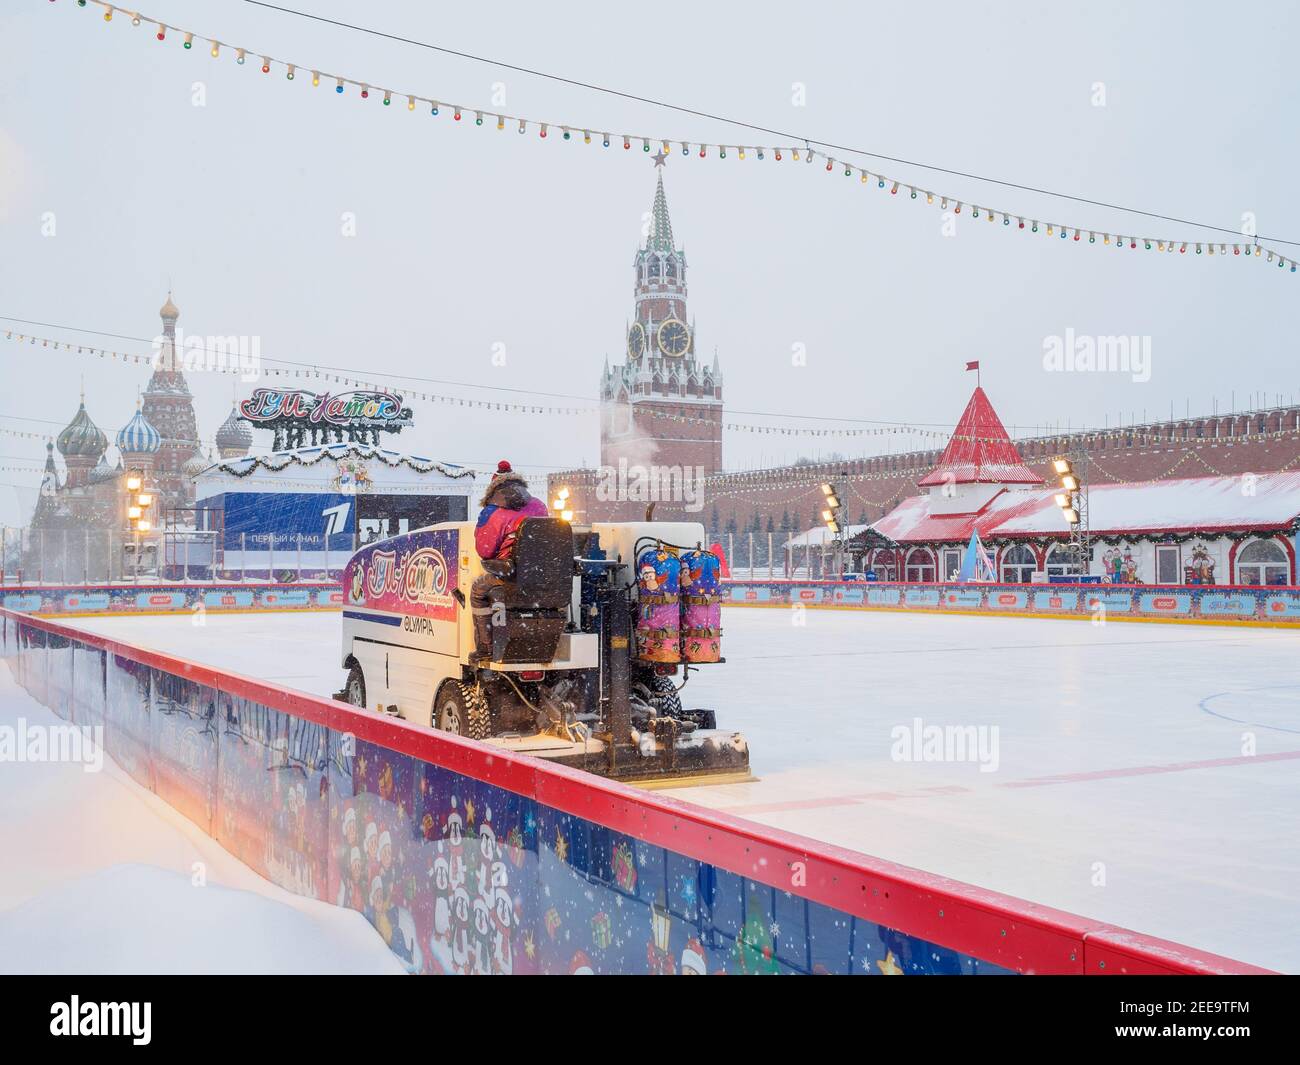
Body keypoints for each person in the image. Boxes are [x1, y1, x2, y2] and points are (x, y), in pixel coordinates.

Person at [470, 460, 548, 661]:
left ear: (494, 489)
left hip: (511, 575)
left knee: (478, 590)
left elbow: (484, 551)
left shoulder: (493, 511)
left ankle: (486, 648)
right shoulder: (539, 505)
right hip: (540, 574)